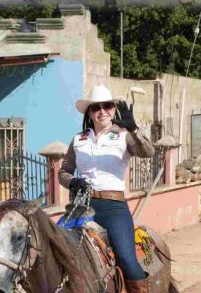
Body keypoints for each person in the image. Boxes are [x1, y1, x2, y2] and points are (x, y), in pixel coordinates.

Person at [59, 85, 155, 293]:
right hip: (81, 207)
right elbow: (63, 171)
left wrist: (134, 129)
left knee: (128, 261)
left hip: (113, 208)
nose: (102, 111)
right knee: (55, 250)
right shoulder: (78, 140)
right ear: (89, 113)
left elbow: (148, 152)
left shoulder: (124, 136)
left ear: (113, 109)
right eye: (96, 107)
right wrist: (72, 182)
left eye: (107, 106)